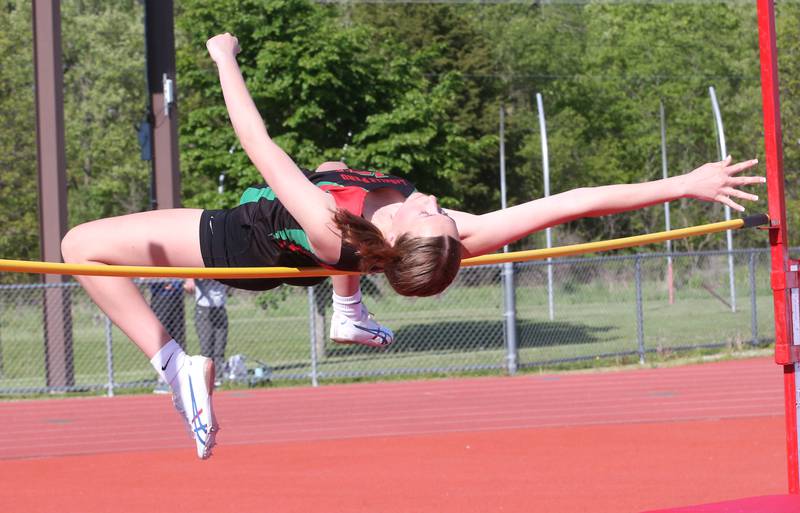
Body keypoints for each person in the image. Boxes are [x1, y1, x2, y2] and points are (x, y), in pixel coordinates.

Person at [60, 32, 765, 460]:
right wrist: (684, 181)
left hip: (233, 240)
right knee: (336, 173)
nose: (437, 203)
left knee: (80, 245)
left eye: (433, 213)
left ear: (403, 237)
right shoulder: (444, 236)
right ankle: (346, 311)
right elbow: (572, 202)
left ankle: (173, 363)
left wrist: (222, 59)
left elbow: (259, 144)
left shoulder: (331, 223)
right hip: (322, 256)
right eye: (446, 216)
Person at [184, 278, 229, 386]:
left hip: (220, 308)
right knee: (206, 347)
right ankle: (206, 378)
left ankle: (218, 377)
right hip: (204, 309)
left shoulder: (223, 265)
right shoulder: (204, 265)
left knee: (220, 346)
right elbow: (191, 281)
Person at [148, 278, 186, 394]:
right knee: (162, 338)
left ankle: (180, 375)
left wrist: (175, 283)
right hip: (160, 297)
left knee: (178, 338)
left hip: (176, 296)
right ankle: (163, 378)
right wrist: (164, 282)